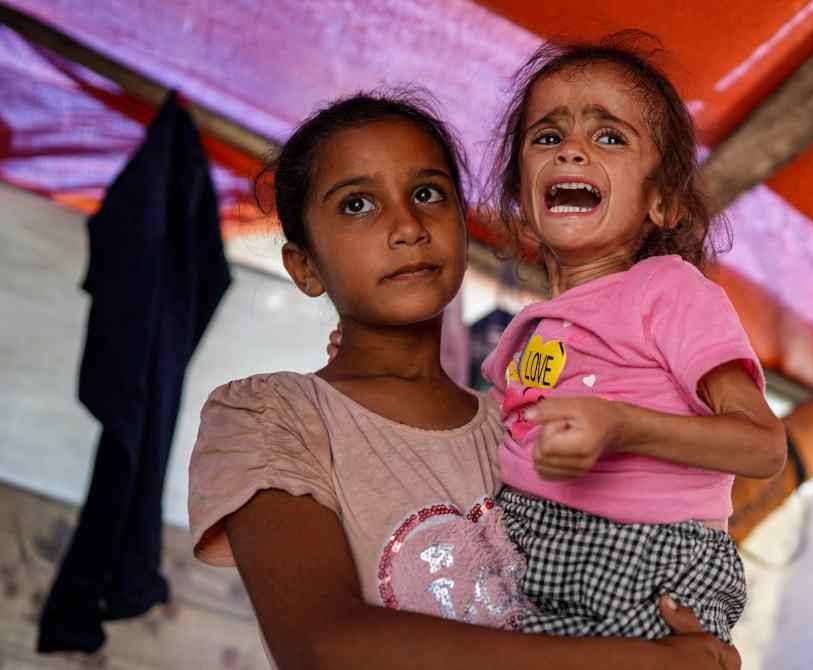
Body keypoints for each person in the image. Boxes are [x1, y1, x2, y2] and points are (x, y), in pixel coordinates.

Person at [188, 91, 740, 669]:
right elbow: (322, 647)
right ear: (305, 267)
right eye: (357, 205)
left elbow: (632, 571)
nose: (407, 226)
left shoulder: (526, 428)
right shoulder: (273, 415)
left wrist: (684, 635)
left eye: (428, 194)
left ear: (462, 222)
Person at [479, 32, 787, 643]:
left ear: (662, 203)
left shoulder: (668, 292)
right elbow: (491, 435)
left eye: (608, 136)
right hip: (530, 547)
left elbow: (763, 447)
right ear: (521, 194)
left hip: (646, 557)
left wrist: (623, 426)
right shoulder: (535, 328)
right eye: (547, 136)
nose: (571, 150)